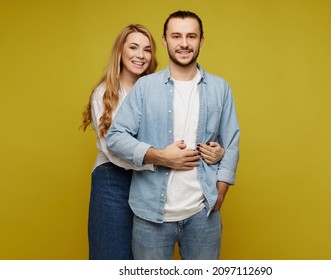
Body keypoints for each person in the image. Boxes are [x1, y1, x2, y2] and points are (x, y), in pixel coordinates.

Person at [81, 23, 224, 260]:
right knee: (112, 256)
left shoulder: (159, 88)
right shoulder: (104, 94)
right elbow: (114, 149)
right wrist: (162, 159)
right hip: (113, 181)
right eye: (134, 47)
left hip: (150, 183)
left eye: (147, 49)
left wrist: (216, 152)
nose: (140, 55)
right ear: (120, 51)